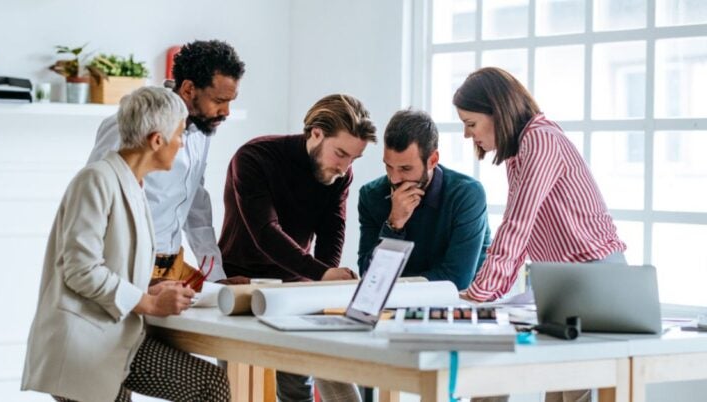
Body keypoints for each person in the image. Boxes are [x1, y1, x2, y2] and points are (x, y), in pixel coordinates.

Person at [21, 87, 230, 402]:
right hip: (84, 346)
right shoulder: (95, 181)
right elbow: (81, 271)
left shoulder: (134, 185)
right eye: (178, 135)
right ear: (156, 140)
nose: (182, 143)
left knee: (212, 386)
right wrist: (148, 303)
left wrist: (151, 288)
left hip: (119, 338)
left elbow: (116, 264)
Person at [454, 67, 627, 402]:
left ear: (496, 111)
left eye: (470, 123)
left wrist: (478, 295)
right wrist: (486, 294)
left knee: (572, 391)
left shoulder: (540, 139)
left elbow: (517, 225)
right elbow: (521, 235)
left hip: (594, 278)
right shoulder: (518, 152)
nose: (467, 135)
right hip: (563, 282)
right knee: (559, 391)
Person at [219, 94, 377, 401]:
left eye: (353, 159)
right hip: (241, 282)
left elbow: (332, 230)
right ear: (316, 133)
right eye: (340, 153)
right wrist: (321, 274)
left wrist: (325, 278)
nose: (344, 168)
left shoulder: (340, 175)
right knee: (233, 390)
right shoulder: (253, 158)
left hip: (296, 285)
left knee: (297, 386)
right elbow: (266, 232)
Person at [87, 39, 249, 287]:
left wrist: (216, 279)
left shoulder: (202, 130)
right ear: (188, 90)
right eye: (218, 101)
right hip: (128, 267)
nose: (226, 111)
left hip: (173, 265)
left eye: (230, 101)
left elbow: (196, 206)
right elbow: (96, 201)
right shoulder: (129, 124)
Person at [357, 109, 491, 288]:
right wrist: (394, 224)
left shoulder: (466, 195)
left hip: (459, 306)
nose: (394, 178)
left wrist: (394, 285)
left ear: (432, 160)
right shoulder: (370, 195)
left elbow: (457, 279)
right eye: (389, 166)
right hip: (396, 307)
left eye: (405, 169)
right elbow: (369, 276)